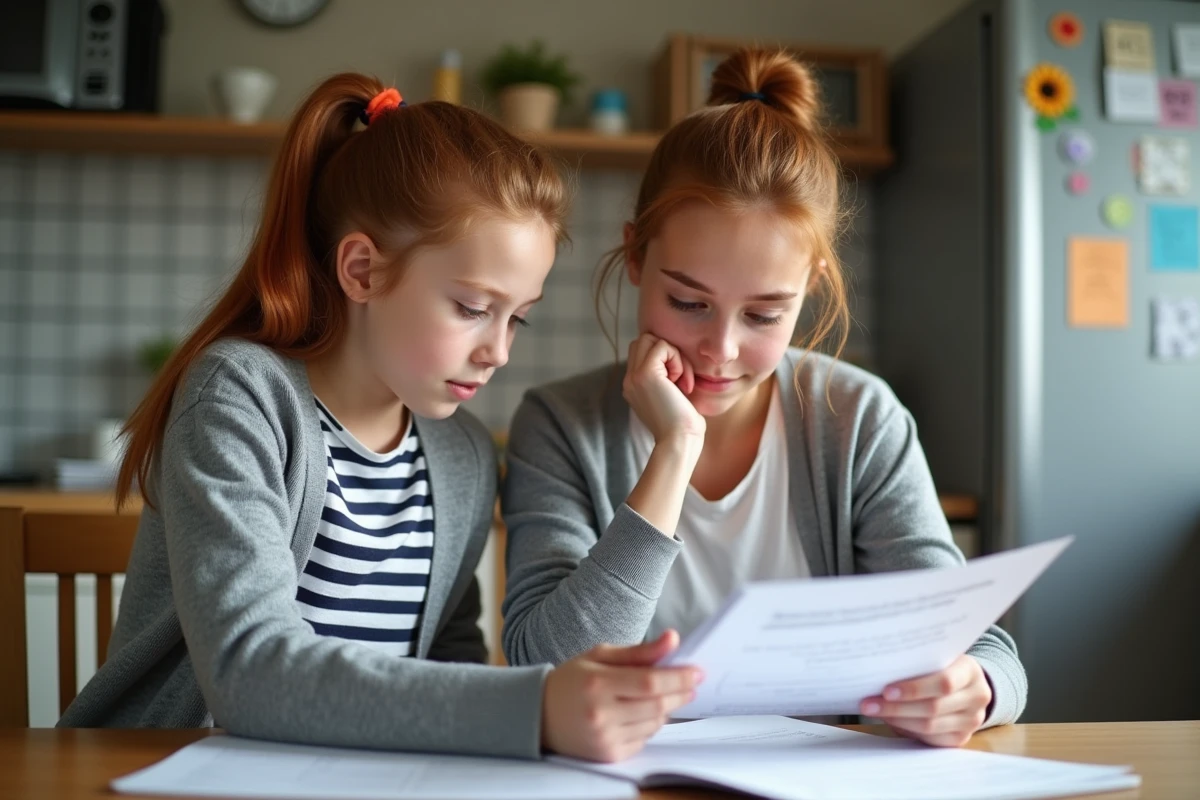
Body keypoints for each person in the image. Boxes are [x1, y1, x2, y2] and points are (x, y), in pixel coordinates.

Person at [58, 73, 701, 763]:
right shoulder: (239, 395)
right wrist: (533, 707)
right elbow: (249, 669)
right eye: (471, 307)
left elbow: (446, 669)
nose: (498, 351)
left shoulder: (462, 455)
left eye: (518, 318)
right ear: (361, 271)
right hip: (158, 771)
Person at [501, 49, 1026, 748]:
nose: (719, 349)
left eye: (763, 315)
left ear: (810, 285)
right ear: (634, 257)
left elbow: (987, 650)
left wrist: (976, 690)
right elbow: (545, 666)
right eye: (688, 302)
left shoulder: (857, 418)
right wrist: (674, 450)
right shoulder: (561, 424)